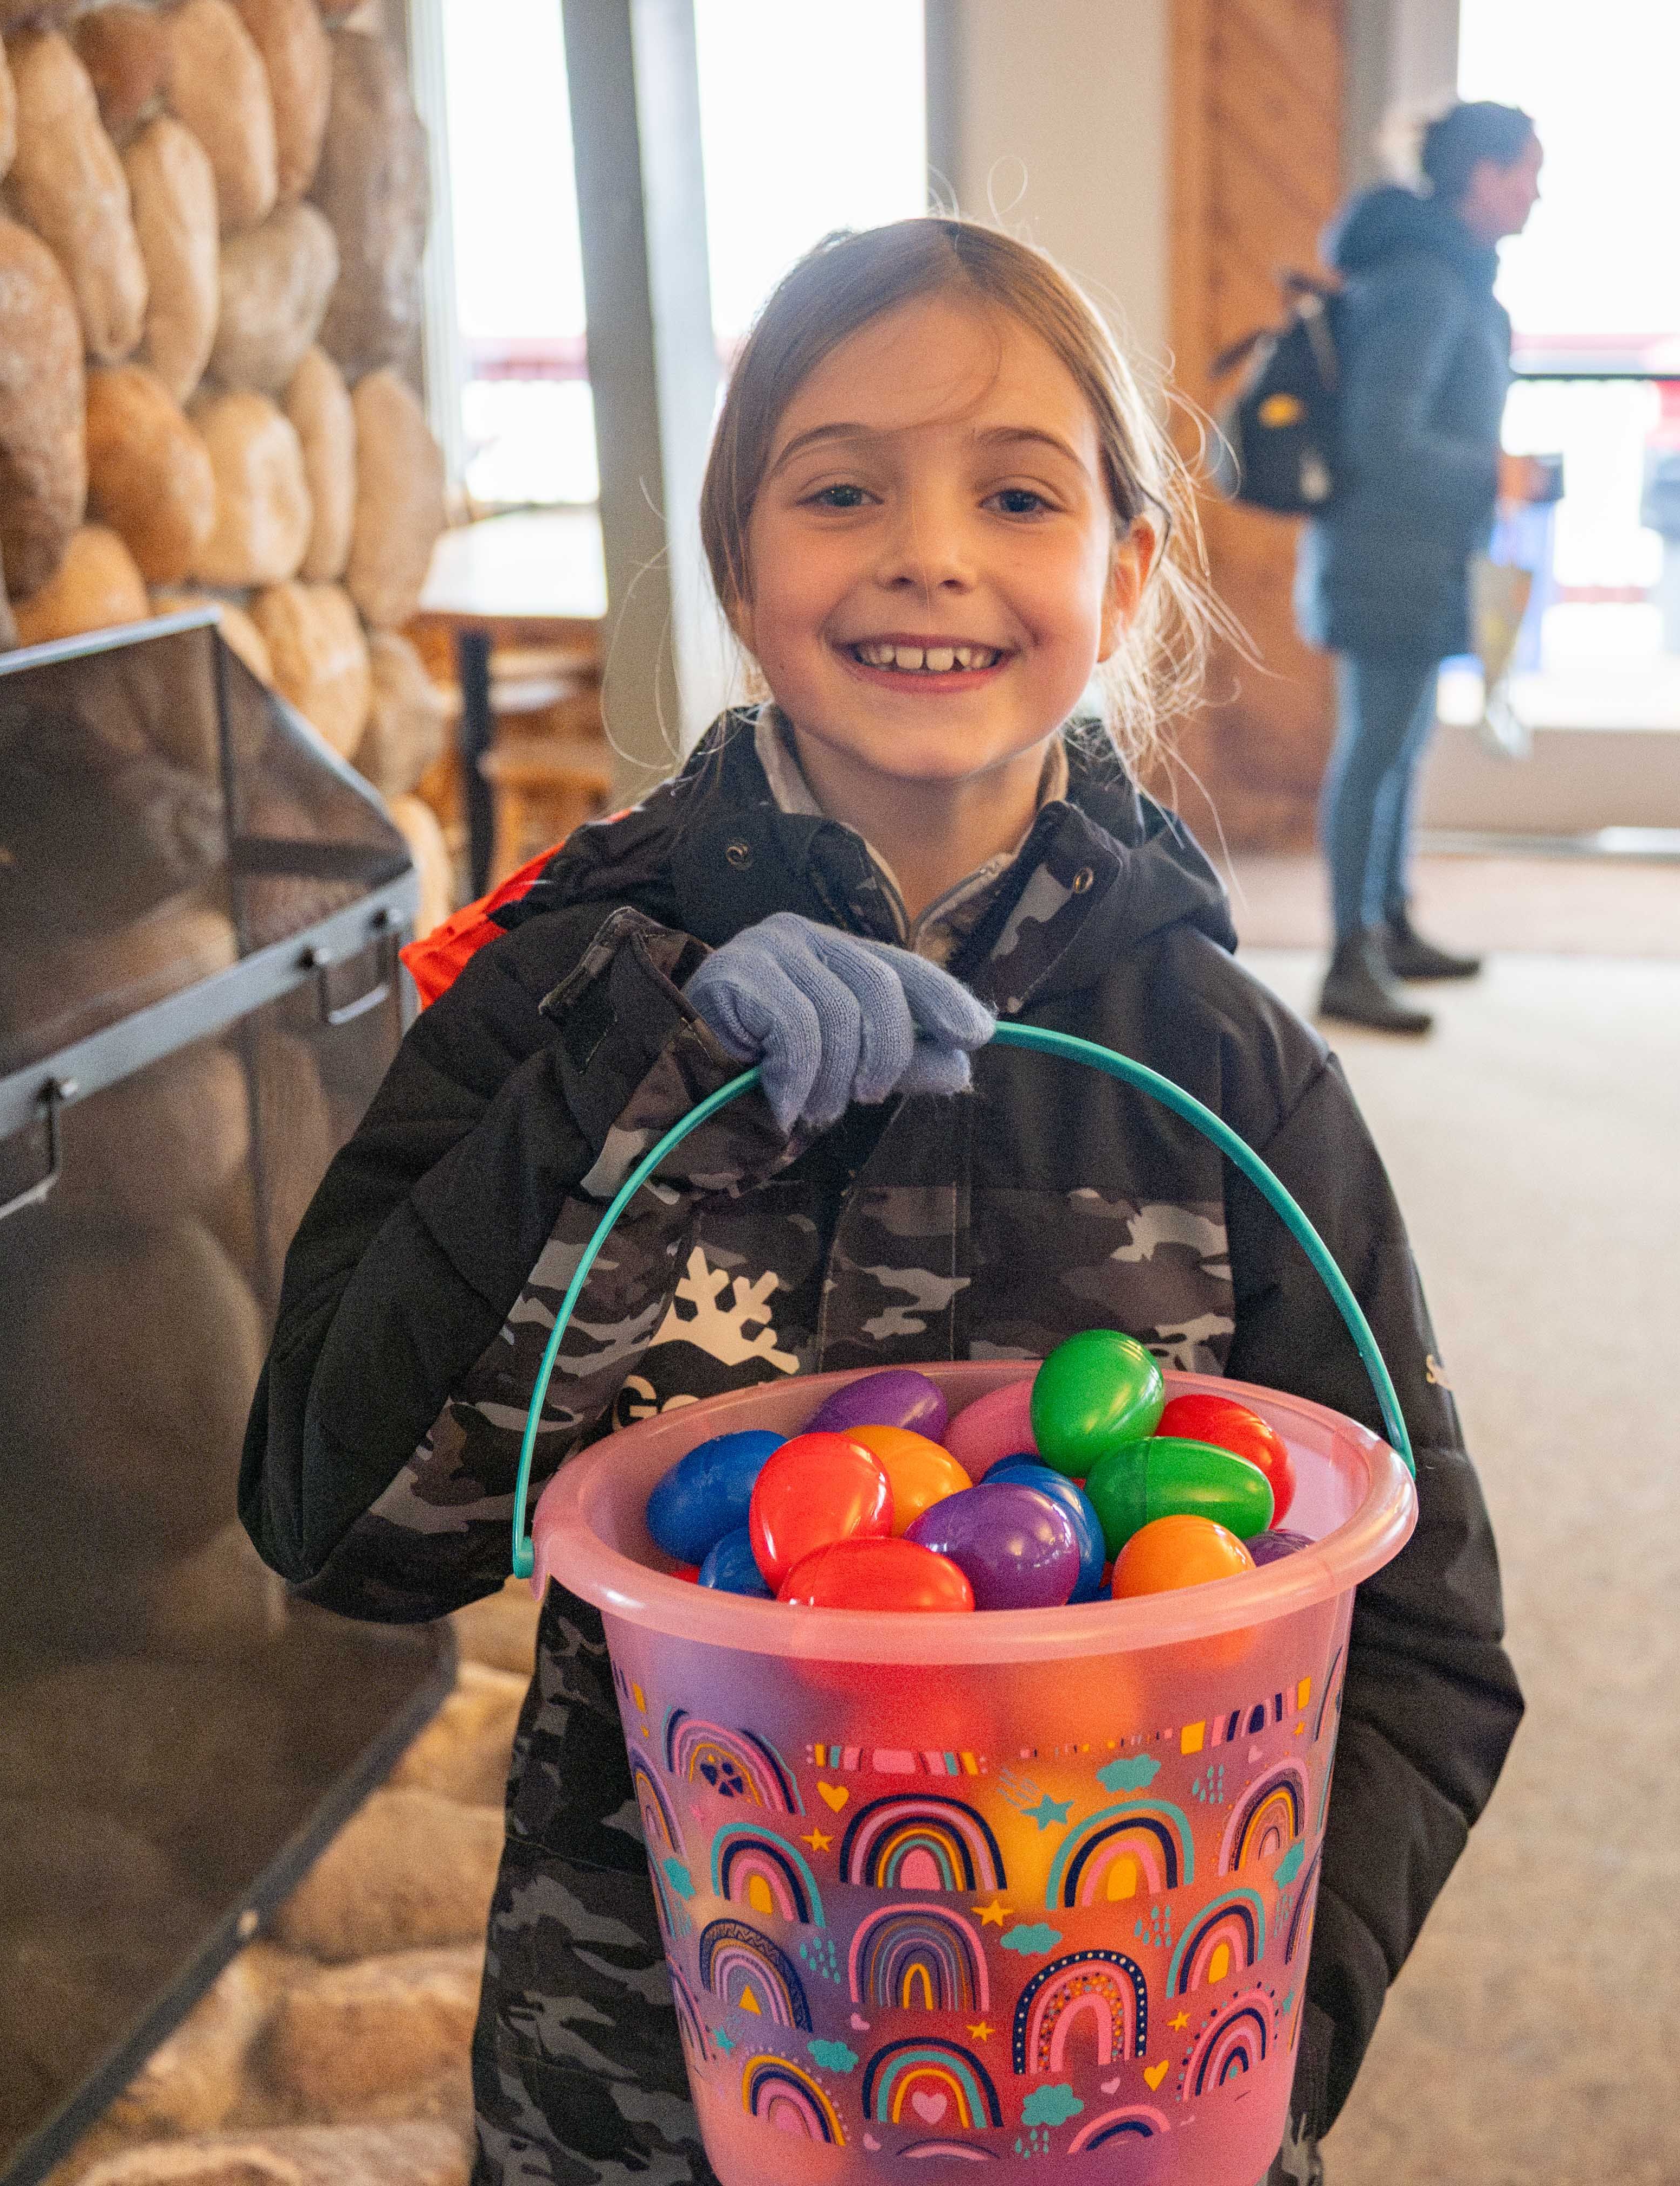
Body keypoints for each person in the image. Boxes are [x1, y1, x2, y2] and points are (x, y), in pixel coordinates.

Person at [241, 218, 1522, 2185]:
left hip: (1122, 2085)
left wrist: (1243, 2050)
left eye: (1014, 491)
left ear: (1121, 571)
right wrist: (645, 1072)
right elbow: (351, 1525)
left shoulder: (1225, 1075)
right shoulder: (573, 988)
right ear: (740, 568)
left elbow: (1423, 1637)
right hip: (657, 2094)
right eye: (841, 489)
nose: (928, 549)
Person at [1297, 100, 1542, 1035]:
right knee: (1373, 750)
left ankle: (1388, 925)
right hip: (1385, 554)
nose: (1533, 194)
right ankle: (1346, 957)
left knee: (1400, 744)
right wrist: (1497, 470)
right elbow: (1382, 439)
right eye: (1524, 172)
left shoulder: (1445, 278)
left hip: (1419, 551)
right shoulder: (1423, 283)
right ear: (1479, 176)